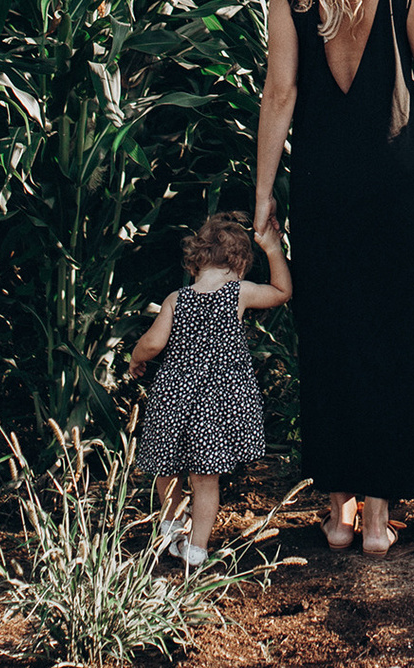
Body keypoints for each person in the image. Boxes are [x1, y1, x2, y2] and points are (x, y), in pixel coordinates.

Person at [254, 0, 414, 557]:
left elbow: (280, 96)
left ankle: (335, 514)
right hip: (393, 186)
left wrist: (264, 195)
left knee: (330, 332)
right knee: (394, 335)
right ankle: (378, 518)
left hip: (321, 185)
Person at [127, 213, 292, 564]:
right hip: (216, 404)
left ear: (195, 260)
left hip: (174, 398)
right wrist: (274, 250)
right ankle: (197, 548)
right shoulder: (238, 292)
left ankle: (170, 524)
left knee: (165, 466)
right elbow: (282, 292)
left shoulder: (178, 298)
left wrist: (136, 358)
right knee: (205, 480)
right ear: (241, 265)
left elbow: (154, 343)